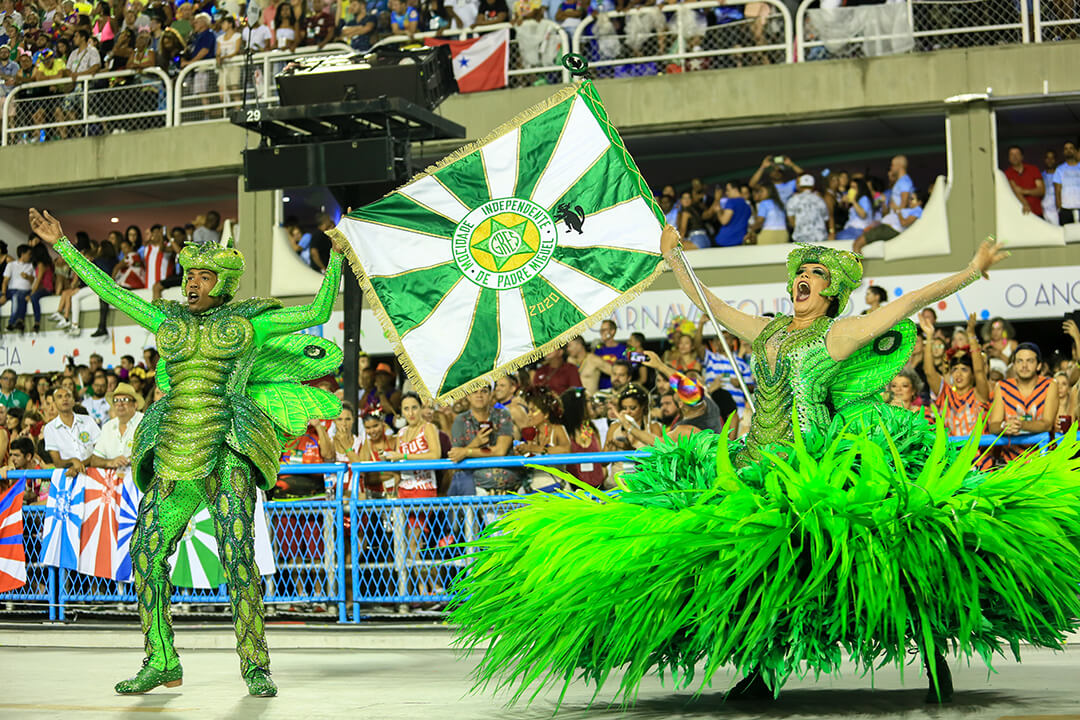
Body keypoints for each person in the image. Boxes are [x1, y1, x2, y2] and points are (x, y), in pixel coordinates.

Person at [448, 224, 1080, 708]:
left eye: (812, 275)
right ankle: (762, 668)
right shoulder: (772, 330)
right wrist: (675, 259)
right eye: (797, 273)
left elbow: (910, 299)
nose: (801, 280)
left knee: (891, 548)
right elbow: (714, 308)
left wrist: (971, 270)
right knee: (757, 566)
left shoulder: (837, 335)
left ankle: (934, 651)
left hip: (818, 464)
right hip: (759, 459)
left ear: (829, 291)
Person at [29, 206, 345, 697]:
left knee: (238, 555)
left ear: (223, 282)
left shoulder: (247, 322)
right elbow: (112, 291)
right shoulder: (167, 318)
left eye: (203, 276)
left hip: (229, 447)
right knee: (146, 554)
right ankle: (161, 659)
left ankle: (255, 665)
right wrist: (63, 246)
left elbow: (318, 313)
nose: (192, 283)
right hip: (173, 450)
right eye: (188, 275)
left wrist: (337, 261)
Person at [987, 343, 1059, 466]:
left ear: (1039, 365)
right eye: (1019, 361)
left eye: (1030, 361)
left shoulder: (1050, 385)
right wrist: (1004, 426)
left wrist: (1021, 425)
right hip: (1010, 463)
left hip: (1044, 461)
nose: (1024, 366)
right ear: (1014, 365)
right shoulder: (1002, 387)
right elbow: (993, 425)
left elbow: (1047, 424)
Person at [448, 385, 520, 495]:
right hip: (475, 481)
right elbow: (457, 455)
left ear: (491, 394)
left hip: (507, 478)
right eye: (474, 392)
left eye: (484, 391)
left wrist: (467, 452)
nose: (479, 395)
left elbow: (500, 451)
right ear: (468, 396)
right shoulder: (460, 420)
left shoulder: (503, 415)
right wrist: (476, 443)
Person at [42, 386, 100, 474]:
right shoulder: (50, 428)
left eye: (68, 396)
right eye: (60, 397)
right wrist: (73, 461)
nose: (64, 399)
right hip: (67, 476)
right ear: (54, 403)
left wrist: (80, 465)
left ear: (73, 400)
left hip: (93, 473)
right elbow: (57, 462)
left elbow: (100, 450)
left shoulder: (88, 420)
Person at [89, 382, 144, 469]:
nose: (120, 404)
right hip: (112, 480)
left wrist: (128, 460)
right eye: (116, 400)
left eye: (125, 400)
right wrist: (110, 462)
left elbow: (152, 454)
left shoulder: (145, 423)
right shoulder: (107, 427)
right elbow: (95, 460)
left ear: (135, 404)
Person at [559, 387, 605, 489]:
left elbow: (602, 462)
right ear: (577, 405)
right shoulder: (564, 431)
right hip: (574, 490)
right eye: (589, 400)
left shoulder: (592, 429)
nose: (593, 404)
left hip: (598, 488)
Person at [786, 174, 832, 243]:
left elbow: (791, 221)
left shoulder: (792, 200)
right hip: (819, 237)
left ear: (799, 186)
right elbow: (826, 218)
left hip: (801, 238)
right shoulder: (819, 199)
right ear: (813, 186)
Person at [1004, 145, 1044, 217]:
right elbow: (1015, 191)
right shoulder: (1006, 174)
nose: (1014, 157)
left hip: (1037, 213)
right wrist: (1025, 204)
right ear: (1009, 158)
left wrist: (1024, 191)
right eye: (1012, 154)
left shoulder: (1033, 169)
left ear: (1022, 156)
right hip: (1018, 215)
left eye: (1017, 154)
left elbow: (1041, 191)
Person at [1052, 140, 1080, 225]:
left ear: (1075, 151)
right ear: (1063, 152)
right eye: (1066, 149)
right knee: (1069, 236)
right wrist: (1059, 208)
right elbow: (1057, 191)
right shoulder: (1059, 169)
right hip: (1065, 210)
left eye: (1071, 148)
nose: (1068, 150)